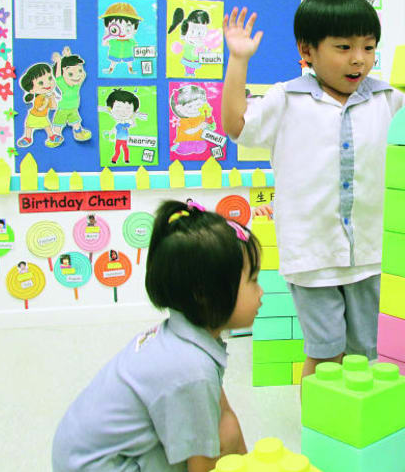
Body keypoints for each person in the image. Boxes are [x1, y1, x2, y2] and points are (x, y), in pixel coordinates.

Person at [222, 0, 405, 380]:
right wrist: (238, 61)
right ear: (307, 51)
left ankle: (354, 435)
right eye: (343, 46)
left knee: (366, 359)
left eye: (369, 47)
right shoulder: (286, 99)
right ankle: (319, 438)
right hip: (312, 257)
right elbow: (236, 126)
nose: (359, 58)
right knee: (325, 358)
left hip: (371, 254)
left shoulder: (388, 98)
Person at [52, 200, 262, 472]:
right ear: (205, 293)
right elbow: (203, 465)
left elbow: (226, 419)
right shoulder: (190, 368)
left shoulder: (185, 339)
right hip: (96, 465)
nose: (261, 292)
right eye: (253, 280)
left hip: (82, 450)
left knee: (223, 432)